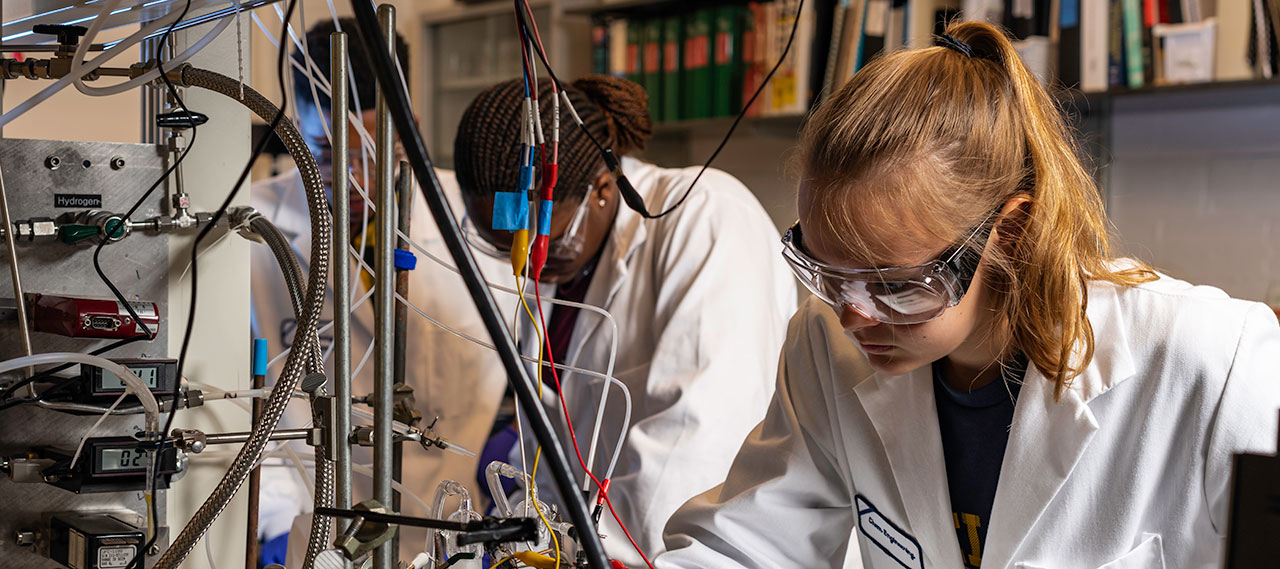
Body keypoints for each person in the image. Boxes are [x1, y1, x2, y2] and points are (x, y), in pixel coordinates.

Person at [656, 21, 1280, 569]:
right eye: (825, 270)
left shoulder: (1215, 360)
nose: (851, 314)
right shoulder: (826, 345)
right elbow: (749, 547)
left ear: (1008, 231)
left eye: (895, 285)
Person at [453, 75, 798, 565]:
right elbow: (547, 453)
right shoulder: (553, 275)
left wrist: (588, 552)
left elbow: (694, 444)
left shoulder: (703, 215)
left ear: (601, 189)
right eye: (503, 243)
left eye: (542, 238)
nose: (527, 263)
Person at [249, 18, 510, 566]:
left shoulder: (477, 221)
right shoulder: (251, 229)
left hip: (453, 530)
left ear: (407, 128)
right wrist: (274, 524)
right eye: (321, 151)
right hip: (311, 530)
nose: (347, 179)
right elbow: (242, 405)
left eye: (368, 149)